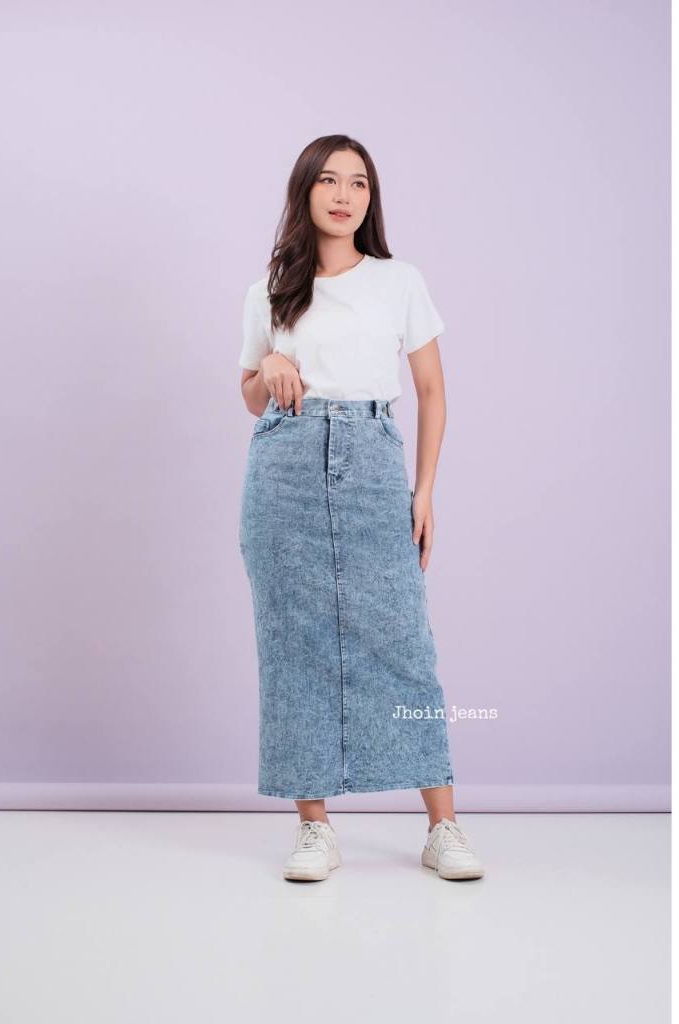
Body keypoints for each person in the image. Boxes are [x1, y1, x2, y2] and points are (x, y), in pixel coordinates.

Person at [237, 135, 485, 883]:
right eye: (328, 180)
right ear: (305, 191)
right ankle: (314, 828)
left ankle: (442, 827)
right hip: (284, 465)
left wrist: (424, 491)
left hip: (373, 459)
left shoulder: (398, 281)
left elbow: (433, 390)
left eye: (359, 183)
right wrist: (270, 363)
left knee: (403, 641)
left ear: (370, 199)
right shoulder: (271, 289)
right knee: (293, 645)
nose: (344, 195)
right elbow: (249, 395)